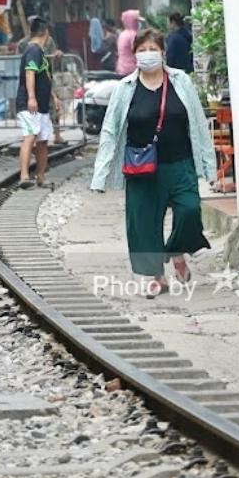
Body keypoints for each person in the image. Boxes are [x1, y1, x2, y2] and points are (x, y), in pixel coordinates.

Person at [90, 29, 216, 297]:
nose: (148, 54)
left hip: (180, 164)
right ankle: (156, 277)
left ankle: (175, 250)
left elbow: (198, 124)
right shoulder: (125, 88)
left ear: (163, 53)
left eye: (153, 49)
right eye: (142, 50)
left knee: (190, 211)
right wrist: (100, 175)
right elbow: (111, 131)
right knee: (144, 224)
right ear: (134, 55)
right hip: (141, 169)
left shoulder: (180, 81)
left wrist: (208, 164)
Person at [16, 18, 60, 189]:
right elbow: (30, 74)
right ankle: (24, 176)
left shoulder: (39, 52)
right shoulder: (33, 50)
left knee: (42, 140)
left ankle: (41, 176)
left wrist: (53, 96)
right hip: (29, 104)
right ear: (46, 33)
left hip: (41, 105)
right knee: (30, 136)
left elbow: (44, 77)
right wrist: (31, 98)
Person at [115, 9, 144, 76]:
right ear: (131, 21)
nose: (138, 23)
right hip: (132, 69)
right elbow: (138, 52)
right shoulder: (133, 35)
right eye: (136, 21)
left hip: (121, 67)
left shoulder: (122, 34)